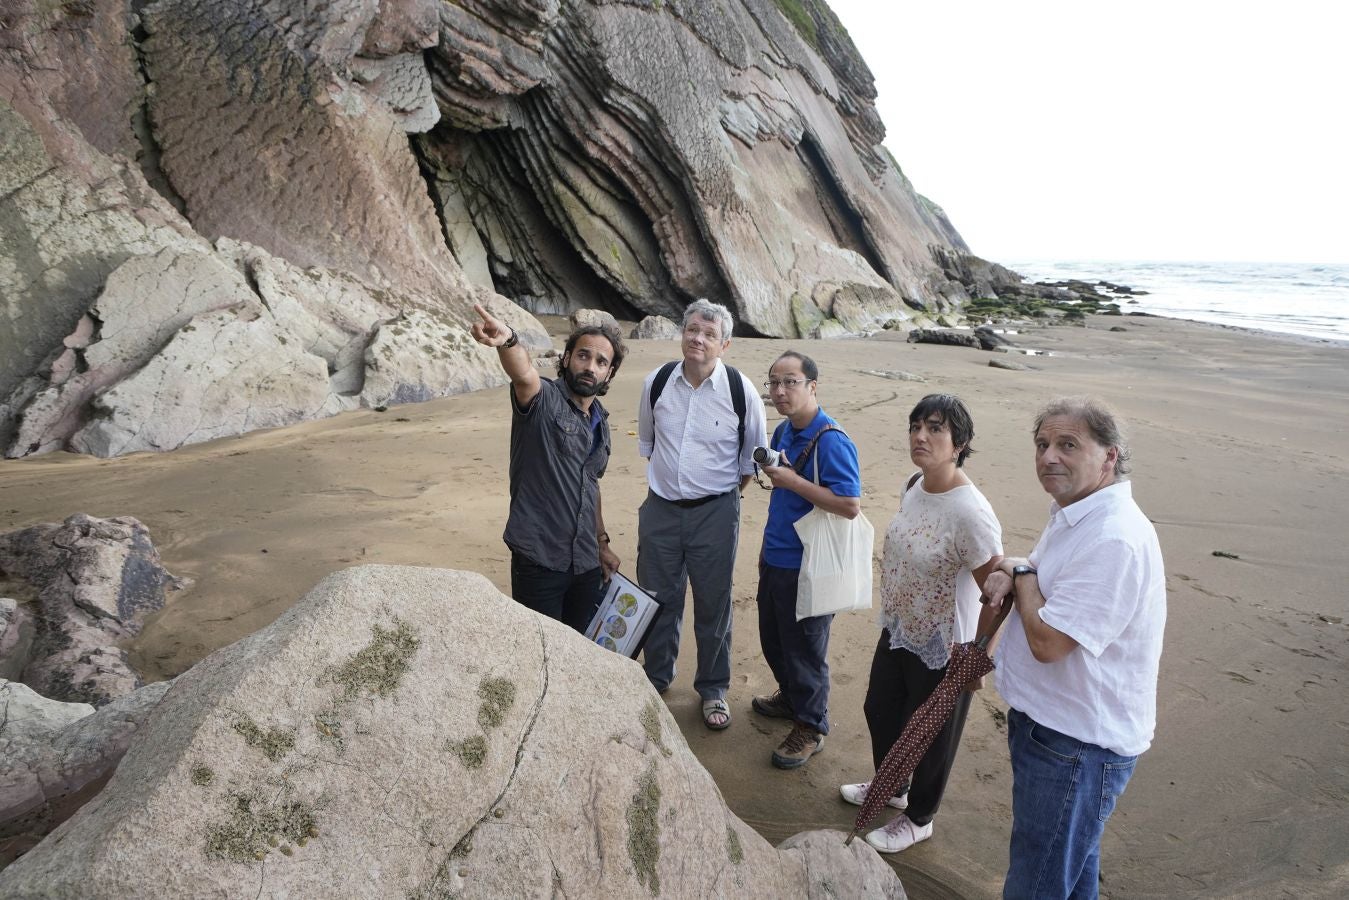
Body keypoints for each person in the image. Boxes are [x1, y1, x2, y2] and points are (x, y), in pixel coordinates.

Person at [983, 397, 1166, 900]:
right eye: (1042, 444)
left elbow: (1048, 641)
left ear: (1110, 456)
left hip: (1076, 745)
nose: (1048, 457)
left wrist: (1017, 572)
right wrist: (1019, 569)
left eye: (1068, 445)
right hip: (1056, 728)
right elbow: (1046, 580)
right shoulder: (1077, 513)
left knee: (1036, 884)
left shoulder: (1114, 537)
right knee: (1069, 869)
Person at [840, 394, 1005, 853]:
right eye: (915, 426)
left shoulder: (970, 512)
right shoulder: (915, 484)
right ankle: (893, 785)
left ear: (960, 443)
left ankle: (919, 817)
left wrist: (977, 656)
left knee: (931, 733)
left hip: (944, 642)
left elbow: (996, 586)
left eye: (935, 428)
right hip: (899, 627)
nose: (920, 436)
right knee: (881, 709)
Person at [636, 298, 767, 730]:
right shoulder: (656, 382)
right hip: (660, 510)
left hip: (715, 513)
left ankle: (713, 689)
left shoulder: (740, 390)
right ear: (682, 333)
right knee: (658, 597)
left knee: (714, 603)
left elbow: (749, 463)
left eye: (709, 334)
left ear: (724, 344)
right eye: (692, 329)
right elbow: (649, 446)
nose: (698, 338)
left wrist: (715, 500)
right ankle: (656, 677)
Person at [470, 303, 623, 632]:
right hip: (539, 559)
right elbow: (523, 374)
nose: (590, 367)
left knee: (579, 650)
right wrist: (509, 339)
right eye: (583, 356)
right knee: (538, 653)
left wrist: (602, 544)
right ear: (566, 359)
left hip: (584, 562)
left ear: (609, 373)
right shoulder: (544, 400)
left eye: (601, 362)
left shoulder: (602, 423)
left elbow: (590, 484)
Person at [750, 351, 862, 768]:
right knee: (773, 639)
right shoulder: (782, 432)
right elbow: (781, 498)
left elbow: (849, 503)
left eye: (790, 382)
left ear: (812, 386)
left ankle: (811, 726)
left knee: (805, 651)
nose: (780, 391)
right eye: (774, 383)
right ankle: (792, 699)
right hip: (777, 556)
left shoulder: (831, 439)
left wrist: (794, 481)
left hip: (810, 565)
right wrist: (765, 546)